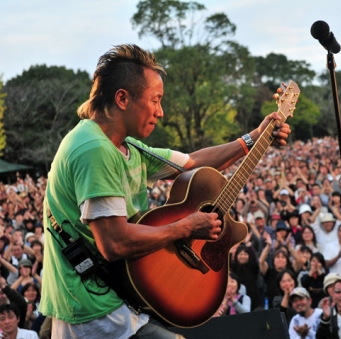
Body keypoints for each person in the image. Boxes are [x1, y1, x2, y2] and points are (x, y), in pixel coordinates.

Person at [40, 44, 291, 338]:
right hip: (94, 316)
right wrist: (187, 227)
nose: (160, 111)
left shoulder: (124, 145)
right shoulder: (93, 149)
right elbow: (115, 243)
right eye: (155, 100)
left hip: (118, 305)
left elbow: (192, 163)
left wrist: (254, 138)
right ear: (122, 98)